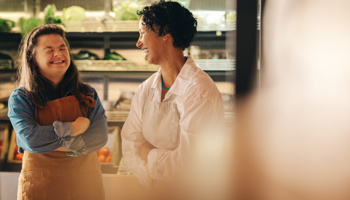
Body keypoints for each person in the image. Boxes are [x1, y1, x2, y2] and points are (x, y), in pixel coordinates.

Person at [121, 0, 224, 187]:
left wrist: (148, 153)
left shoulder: (199, 91)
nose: (138, 43)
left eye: (142, 33)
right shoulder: (146, 89)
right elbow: (129, 145)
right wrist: (152, 178)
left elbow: (187, 165)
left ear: (165, 34)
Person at [7, 24, 108, 200]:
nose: (59, 54)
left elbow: (100, 137)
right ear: (32, 57)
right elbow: (31, 139)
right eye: (49, 50)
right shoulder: (22, 98)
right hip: (41, 187)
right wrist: (75, 127)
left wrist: (51, 142)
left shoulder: (88, 93)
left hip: (85, 186)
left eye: (63, 48)